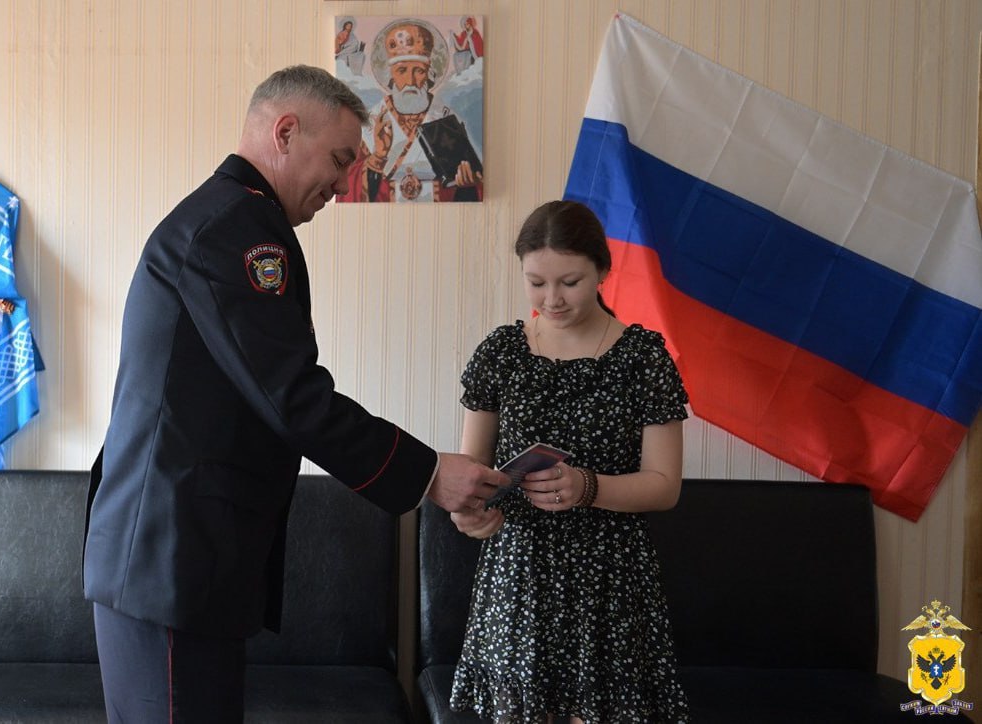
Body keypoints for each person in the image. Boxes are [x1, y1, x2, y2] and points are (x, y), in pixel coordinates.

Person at [82, 64, 506, 723]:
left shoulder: (230, 219)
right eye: (339, 160)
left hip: (178, 554)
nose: (343, 183)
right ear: (285, 133)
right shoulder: (235, 231)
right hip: (171, 556)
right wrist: (429, 474)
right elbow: (293, 399)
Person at [447, 200, 692, 723]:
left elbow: (665, 485)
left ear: (602, 271)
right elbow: (473, 472)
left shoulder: (643, 358)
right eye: (536, 282)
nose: (551, 299)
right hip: (520, 573)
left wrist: (587, 486)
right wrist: (469, 513)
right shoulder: (501, 353)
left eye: (570, 282)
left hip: (611, 576)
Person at [338, 19, 483, 203]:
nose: (411, 81)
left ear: (429, 74)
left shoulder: (446, 118)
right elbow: (348, 187)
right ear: (390, 75)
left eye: (419, 71)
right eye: (402, 71)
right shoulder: (370, 124)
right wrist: (378, 156)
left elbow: (472, 186)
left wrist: (467, 184)